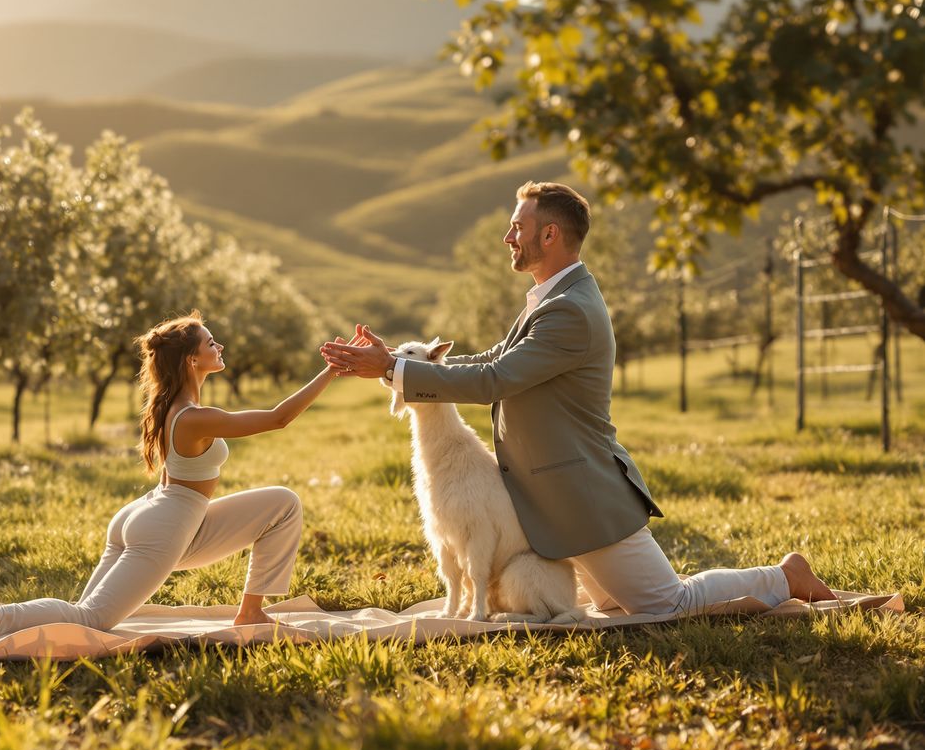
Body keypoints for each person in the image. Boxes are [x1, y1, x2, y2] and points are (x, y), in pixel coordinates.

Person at [320, 181, 836, 616]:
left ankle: (784, 577)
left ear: (550, 233)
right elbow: (485, 361)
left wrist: (393, 367)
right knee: (618, 606)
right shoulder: (551, 300)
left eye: (517, 228)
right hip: (551, 503)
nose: (507, 237)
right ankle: (774, 577)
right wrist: (403, 367)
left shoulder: (568, 310)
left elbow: (495, 379)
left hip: (580, 499)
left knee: (667, 603)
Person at [0, 312, 360, 643]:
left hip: (158, 514)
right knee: (92, 620)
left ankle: (251, 613)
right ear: (193, 359)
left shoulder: (171, 405)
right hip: (166, 524)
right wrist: (331, 371)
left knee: (283, 502)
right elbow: (278, 418)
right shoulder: (195, 416)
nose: (219, 345)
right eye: (211, 342)